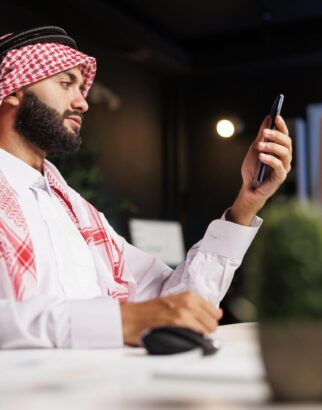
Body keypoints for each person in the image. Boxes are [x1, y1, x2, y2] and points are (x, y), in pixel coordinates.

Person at [0, 27, 292, 349]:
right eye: (65, 83)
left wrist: (245, 205)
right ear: (13, 88)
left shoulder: (75, 212)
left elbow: (174, 302)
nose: (82, 102)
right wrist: (118, 321)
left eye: (81, 88)